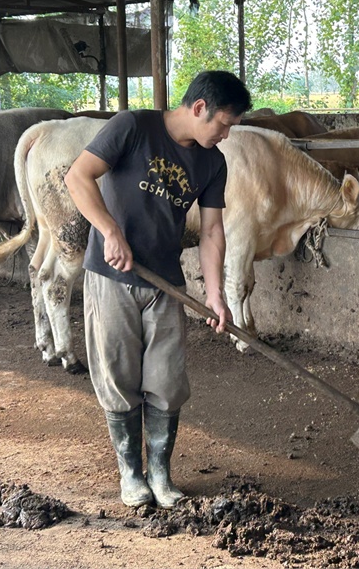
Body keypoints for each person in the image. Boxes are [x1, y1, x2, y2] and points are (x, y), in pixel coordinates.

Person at [64, 70, 251, 509]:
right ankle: (131, 473)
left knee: (167, 380)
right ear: (199, 108)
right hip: (112, 277)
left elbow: (211, 232)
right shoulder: (133, 127)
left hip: (165, 282)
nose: (225, 135)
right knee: (118, 375)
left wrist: (215, 293)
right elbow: (78, 176)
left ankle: (161, 473)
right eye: (223, 124)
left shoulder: (211, 162)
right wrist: (109, 230)